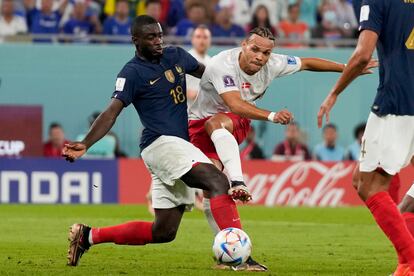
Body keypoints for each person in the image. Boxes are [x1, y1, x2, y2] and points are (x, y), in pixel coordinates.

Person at [187, 26, 377, 271]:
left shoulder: (274, 63)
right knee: (212, 187)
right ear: (244, 44)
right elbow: (234, 103)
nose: (260, 57)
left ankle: (238, 185)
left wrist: (348, 68)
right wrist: (273, 115)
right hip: (199, 126)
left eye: (266, 53)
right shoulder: (221, 64)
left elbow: (308, 62)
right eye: (255, 49)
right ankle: (232, 256)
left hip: (231, 123)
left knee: (218, 129)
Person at [63, 15, 247, 268]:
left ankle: (87, 236)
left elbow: (210, 76)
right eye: (151, 37)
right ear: (135, 40)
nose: (158, 41)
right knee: (217, 180)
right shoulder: (131, 73)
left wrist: (240, 89)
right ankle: (239, 259)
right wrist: (86, 143)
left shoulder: (176, 56)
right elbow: (111, 112)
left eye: (160, 35)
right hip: (160, 143)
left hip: (179, 146)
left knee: (164, 231)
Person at [316, 0, 414, 274]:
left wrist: (334, 92)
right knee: (390, 194)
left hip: (399, 101)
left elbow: (362, 53)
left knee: (367, 185)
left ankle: (410, 262)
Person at [186, 25, 211, 103]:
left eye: (205, 37)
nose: (202, 40)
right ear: (192, 39)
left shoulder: (211, 61)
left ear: (210, 40)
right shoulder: (185, 59)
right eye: (198, 37)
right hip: (188, 109)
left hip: (206, 109)